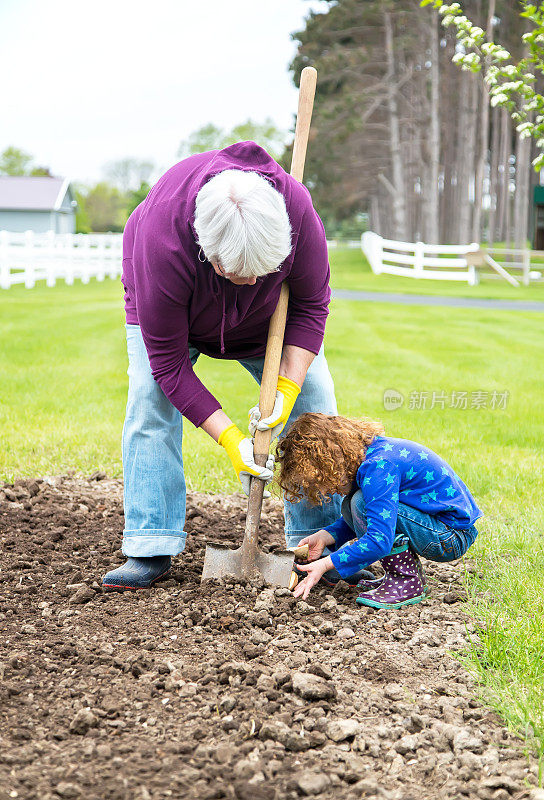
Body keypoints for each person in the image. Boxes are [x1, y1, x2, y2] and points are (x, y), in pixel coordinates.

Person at [102, 141, 349, 590]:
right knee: (148, 400)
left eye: (263, 270)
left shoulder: (296, 211)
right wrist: (233, 440)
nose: (252, 281)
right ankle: (150, 542)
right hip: (176, 311)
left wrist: (288, 391)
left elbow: (312, 306)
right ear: (205, 250)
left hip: (265, 320)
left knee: (316, 401)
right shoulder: (163, 240)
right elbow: (170, 366)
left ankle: (317, 543)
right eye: (239, 272)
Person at [277, 413, 482, 608]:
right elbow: (371, 513)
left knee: (359, 503)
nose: (324, 490)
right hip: (440, 528)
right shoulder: (371, 454)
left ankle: (406, 580)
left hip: (450, 536)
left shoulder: (378, 467)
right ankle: (400, 575)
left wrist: (325, 564)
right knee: (352, 505)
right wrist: (326, 536)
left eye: (319, 481)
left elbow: (378, 539)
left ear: (331, 462)